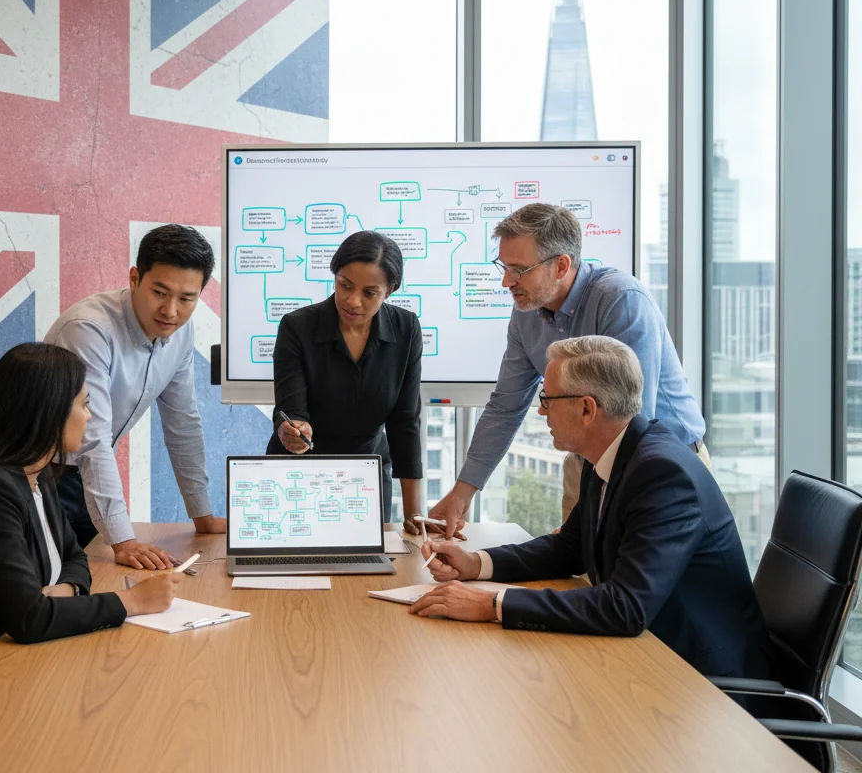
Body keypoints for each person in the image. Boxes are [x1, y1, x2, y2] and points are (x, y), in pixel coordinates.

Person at [411, 336, 772, 680]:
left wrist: (491, 604)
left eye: (547, 399)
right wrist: (477, 564)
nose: (541, 410)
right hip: (652, 653)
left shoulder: (662, 473)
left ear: (586, 408)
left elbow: (626, 607)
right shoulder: (612, 454)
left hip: (700, 681)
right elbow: (568, 549)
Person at [0, 343, 184, 684]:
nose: (89, 416)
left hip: (18, 662)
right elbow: (30, 619)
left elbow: (75, 557)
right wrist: (130, 601)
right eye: (84, 405)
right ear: (48, 411)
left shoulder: (37, 472)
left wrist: (67, 590)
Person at [430, 203, 707, 536]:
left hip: (659, 467)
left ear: (561, 265)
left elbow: (634, 422)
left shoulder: (621, 301)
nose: (506, 281)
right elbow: (506, 406)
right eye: (503, 267)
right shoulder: (526, 313)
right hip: (585, 463)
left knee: (630, 585)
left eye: (518, 270)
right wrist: (461, 495)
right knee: (574, 577)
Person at [45, 224, 226, 570]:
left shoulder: (180, 332)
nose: (171, 310)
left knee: (102, 580)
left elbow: (182, 423)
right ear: (134, 278)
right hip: (43, 478)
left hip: (87, 478)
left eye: (187, 298)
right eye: (160, 292)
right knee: (58, 588)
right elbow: (92, 439)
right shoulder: (89, 330)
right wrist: (123, 540)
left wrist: (202, 515)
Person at [268, 230, 423, 528]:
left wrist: (413, 514)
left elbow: (405, 422)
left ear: (389, 290)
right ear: (335, 277)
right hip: (301, 470)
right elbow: (291, 410)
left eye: (369, 293)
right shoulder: (297, 327)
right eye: (345, 285)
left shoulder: (406, 329)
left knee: (368, 569)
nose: (353, 301)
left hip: (367, 472)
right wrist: (294, 431)